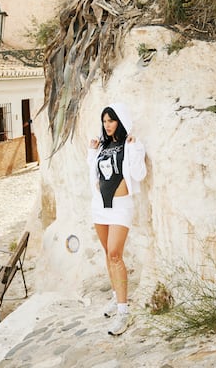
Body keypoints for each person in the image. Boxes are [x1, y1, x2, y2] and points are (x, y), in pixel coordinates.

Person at [87, 102, 146, 335]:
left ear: (120, 120)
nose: (107, 125)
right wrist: (92, 152)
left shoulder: (129, 145)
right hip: (100, 206)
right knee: (107, 254)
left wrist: (137, 148)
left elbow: (139, 174)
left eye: (111, 120)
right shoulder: (102, 145)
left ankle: (123, 312)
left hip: (121, 206)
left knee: (115, 253)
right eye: (104, 121)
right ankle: (115, 297)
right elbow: (93, 173)